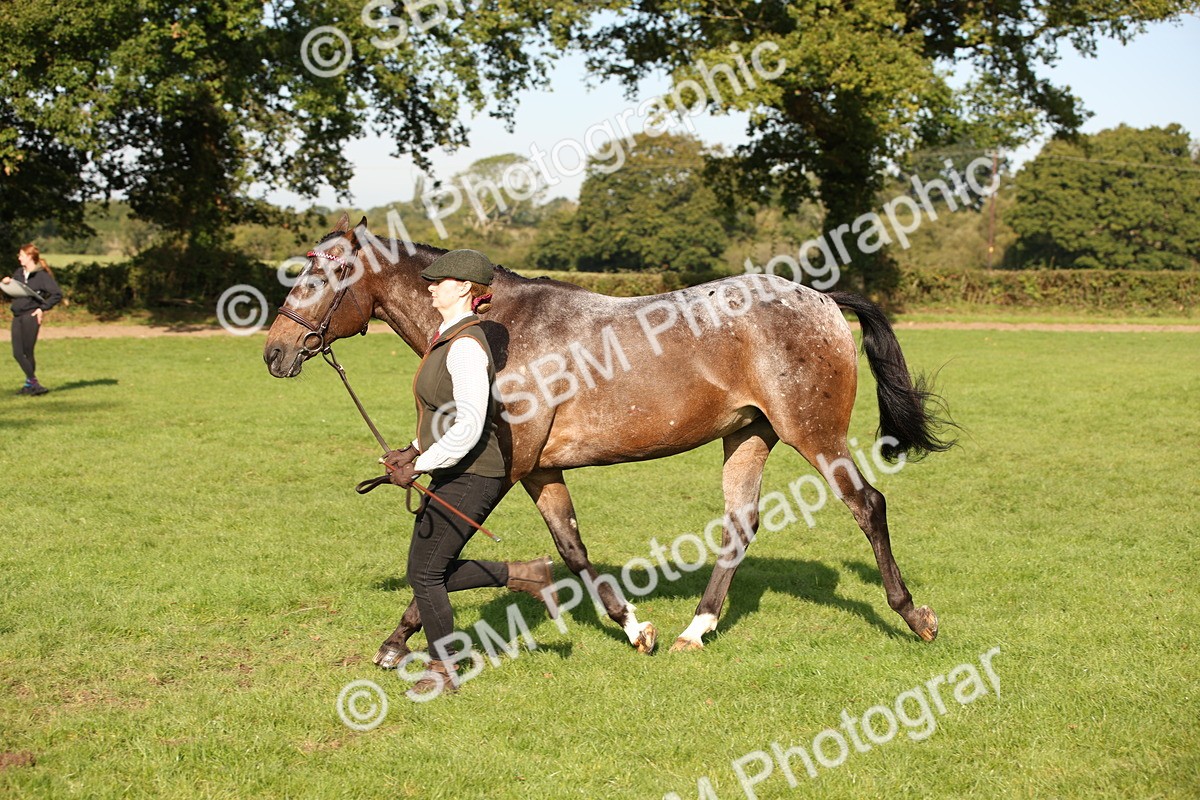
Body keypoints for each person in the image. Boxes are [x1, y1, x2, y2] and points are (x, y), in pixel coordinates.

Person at [381, 249, 558, 697]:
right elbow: (445, 412)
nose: (430, 287)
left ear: (463, 287)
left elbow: (470, 423)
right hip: (453, 468)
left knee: (426, 576)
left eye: (438, 282)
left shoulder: (463, 346)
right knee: (425, 570)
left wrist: (420, 463)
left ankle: (443, 670)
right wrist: (414, 449)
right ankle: (526, 574)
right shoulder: (447, 336)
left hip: (473, 473)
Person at [3, 244, 63, 396]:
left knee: (27, 352)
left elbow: (56, 294)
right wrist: (6, 284)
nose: (19, 257)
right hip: (17, 316)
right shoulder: (19, 273)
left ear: (29, 256)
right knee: (17, 353)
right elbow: (15, 292)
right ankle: (33, 383)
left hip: (31, 316)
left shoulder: (41, 276)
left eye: (21, 255)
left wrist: (42, 308)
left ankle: (31, 384)